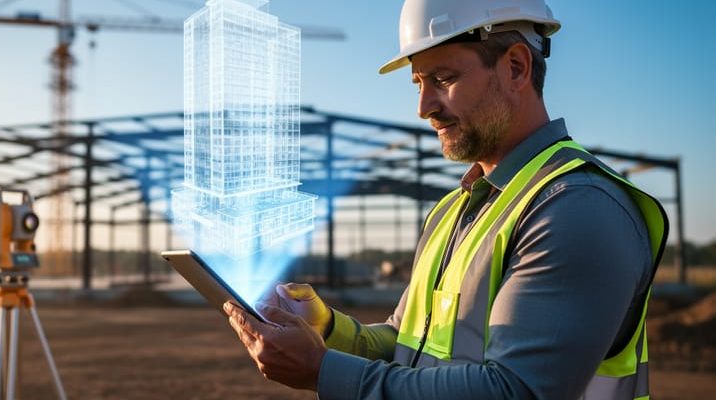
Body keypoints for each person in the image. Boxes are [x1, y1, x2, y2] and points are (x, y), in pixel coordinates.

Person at [223, 0, 669, 399]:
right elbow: (407, 340)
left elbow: (518, 389)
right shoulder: (453, 211)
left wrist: (322, 370)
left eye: (443, 78)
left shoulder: (575, 208)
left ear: (516, 68)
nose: (424, 107)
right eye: (418, 81)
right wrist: (327, 328)